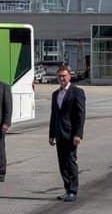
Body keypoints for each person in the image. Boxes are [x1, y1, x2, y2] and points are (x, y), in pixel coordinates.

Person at [49, 64, 85, 202]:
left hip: (71, 134)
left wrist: (78, 134)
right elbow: (54, 116)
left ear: (69, 76)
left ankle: (73, 190)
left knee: (71, 162)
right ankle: (67, 189)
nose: (62, 78)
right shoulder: (55, 94)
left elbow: (81, 115)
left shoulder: (77, 92)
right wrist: (51, 135)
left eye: (64, 76)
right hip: (59, 134)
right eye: (59, 76)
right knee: (62, 163)